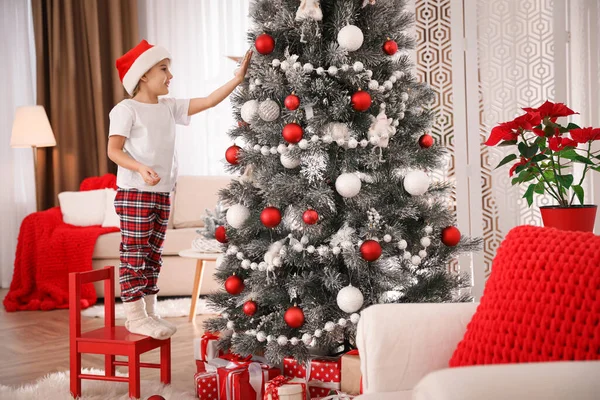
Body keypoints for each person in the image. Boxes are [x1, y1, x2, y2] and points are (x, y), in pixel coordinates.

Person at [107, 40, 252, 339]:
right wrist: (138, 167)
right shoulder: (126, 109)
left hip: (161, 193)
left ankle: (150, 312)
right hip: (135, 193)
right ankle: (135, 316)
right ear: (143, 75)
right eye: (163, 69)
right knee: (135, 253)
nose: (170, 75)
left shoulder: (168, 107)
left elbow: (209, 101)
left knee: (152, 254)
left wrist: (237, 79)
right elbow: (114, 150)